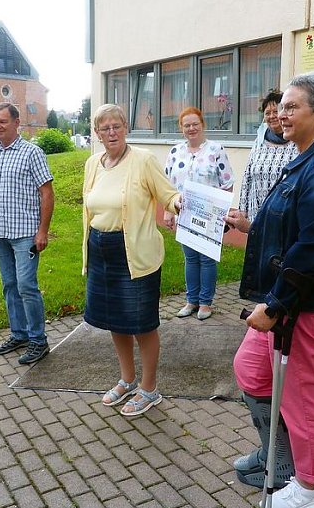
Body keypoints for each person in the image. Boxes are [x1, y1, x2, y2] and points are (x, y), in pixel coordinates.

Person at [224, 73, 314, 508]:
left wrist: (277, 305)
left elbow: (313, 247)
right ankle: (278, 455)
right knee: (251, 371)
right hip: (282, 301)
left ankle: (311, 483)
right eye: (281, 106)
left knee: (303, 397)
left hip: (306, 306)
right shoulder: (301, 158)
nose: (281, 113)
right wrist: (247, 225)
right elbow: (287, 228)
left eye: (292, 107)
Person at [82, 104, 181, 417]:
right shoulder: (92, 163)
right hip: (101, 250)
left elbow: (170, 195)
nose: (112, 132)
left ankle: (149, 389)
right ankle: (127, 379)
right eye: (105, 128)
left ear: (126, 128)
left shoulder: (143, 160)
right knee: (115, 321)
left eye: (117, 126)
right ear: (97, 133)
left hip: (134, 252)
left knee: (141, 323)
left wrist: (180, 204)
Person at [0, 102, 55, 365]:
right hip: (0, 233)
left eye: (2, 121)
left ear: (16, 123)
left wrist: (43, 231)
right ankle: (18, 334)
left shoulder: (32, 153)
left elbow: (47, 193)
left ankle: (38, 341)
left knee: (26, 286)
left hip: (26, 234)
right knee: (9, 285)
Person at [163, 107, 234, 320]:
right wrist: (168, 212)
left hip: (210, 216)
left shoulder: (215, 149)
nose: (191, 128)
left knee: (207, 259)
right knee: (191, 258)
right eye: (187, 125)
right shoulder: (176, 152)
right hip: (184, 214)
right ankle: (191, 300)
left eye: (195, 124)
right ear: (181, 128)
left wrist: (222, 211)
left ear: (202, 124)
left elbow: (228, 183)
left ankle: (205, 303)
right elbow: (167, 185)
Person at [238, 89, 299, 222]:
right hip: (257, 212)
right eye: (267, 113)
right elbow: (247, 175)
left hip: (284, 215)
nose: (271, 116)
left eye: (275, 111)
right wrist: (242, 210)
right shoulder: (260, 141)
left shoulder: (296, 142)